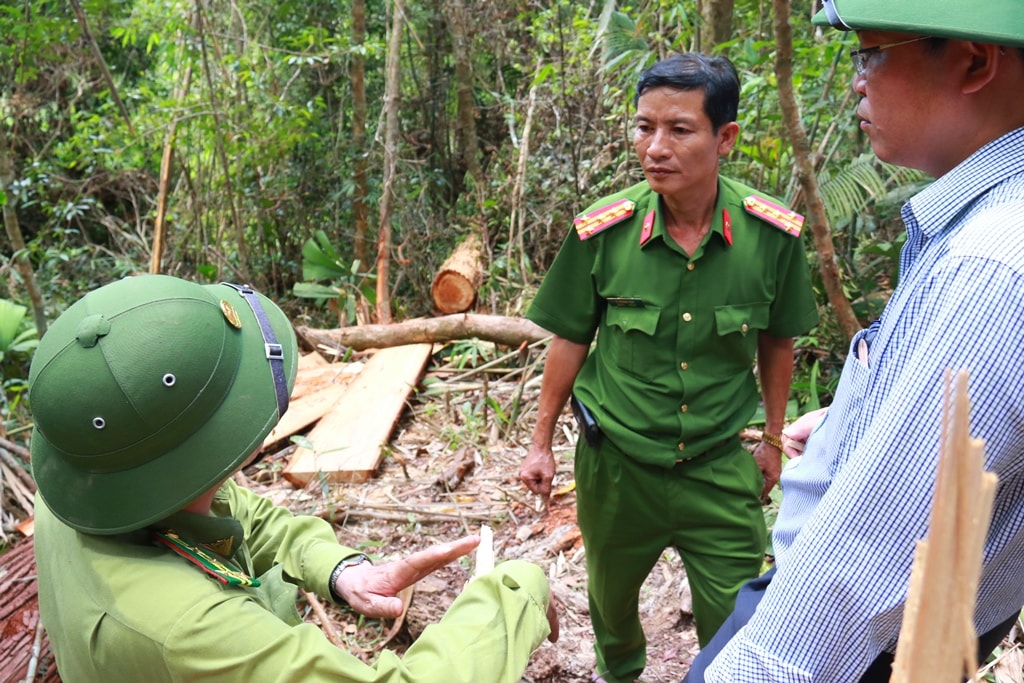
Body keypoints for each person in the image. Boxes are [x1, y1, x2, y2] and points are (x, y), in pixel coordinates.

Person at [684, 1, 1024, 681]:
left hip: (854, 647)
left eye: (872, 54)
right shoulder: (979, 225)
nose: (857, 82)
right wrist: (854, 423)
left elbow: (867, 557)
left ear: (975, 60)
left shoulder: (990, 263)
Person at [30, 274, 557, 683]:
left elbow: (240, 516)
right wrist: (514, 593)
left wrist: (341, 570)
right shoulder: (190, 628)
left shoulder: (94, 481)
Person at [519, 53, 819, 683]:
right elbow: (570, 339)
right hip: (618, 466)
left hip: (719, 465)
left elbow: (778, 341)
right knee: (613, 606)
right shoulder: (604, 232)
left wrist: (770, 438)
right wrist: (541, 443)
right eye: (643, 126)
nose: (654, 147)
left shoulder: (772, 236)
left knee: (738, 616)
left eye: (679, 129)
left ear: (725, 138)